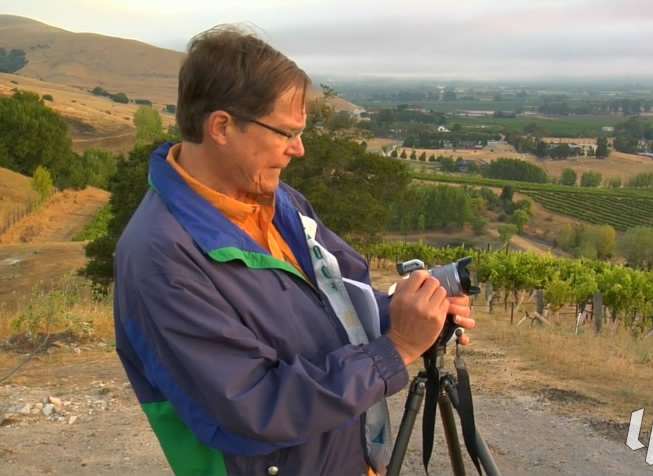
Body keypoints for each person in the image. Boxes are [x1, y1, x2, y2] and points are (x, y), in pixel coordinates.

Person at [112, 24, 476, 476]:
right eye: (285, 132)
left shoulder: (279, 203)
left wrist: (412, 310)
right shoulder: (161, 259)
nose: (298, 150)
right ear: (222, 126)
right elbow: (256, 408)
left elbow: (343, 303)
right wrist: (398, 347)